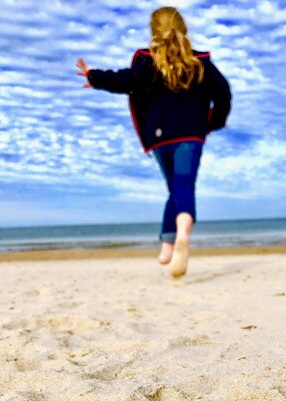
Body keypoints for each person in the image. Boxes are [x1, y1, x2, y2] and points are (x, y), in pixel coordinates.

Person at [76, 6, 232, 277]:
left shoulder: (147, 63)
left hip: (159, 136)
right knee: (183, 186)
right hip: (190, 134)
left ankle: (167, 246)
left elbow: (124, 80)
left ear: (154, 31)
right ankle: (182, 234)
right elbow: (224, 93)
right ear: (183, 28)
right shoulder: (200, 63)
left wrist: (93, 76)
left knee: (174, 187)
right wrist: (213, 123)